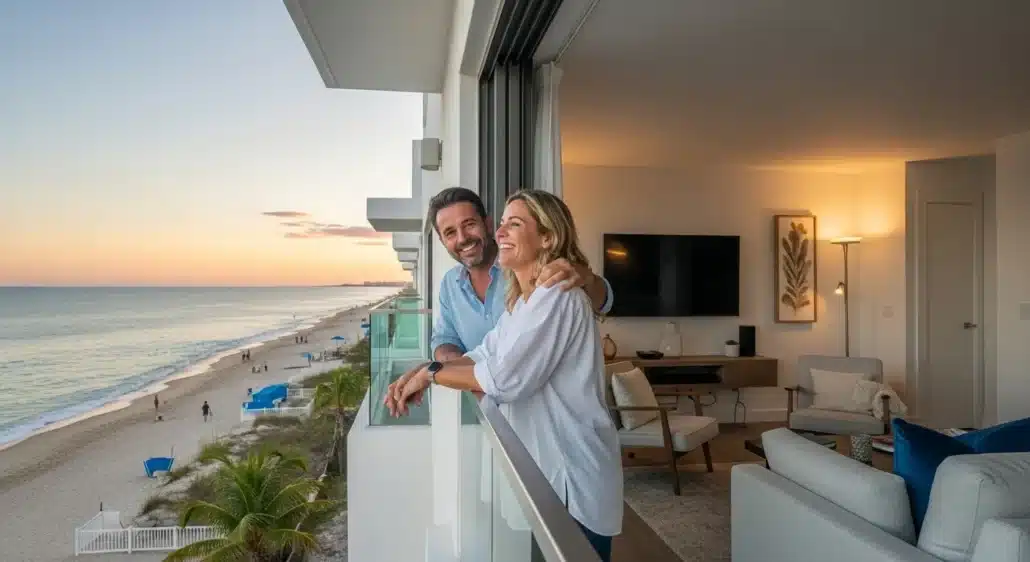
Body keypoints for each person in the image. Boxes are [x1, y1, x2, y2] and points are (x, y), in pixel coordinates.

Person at [385, 189, 622, 560]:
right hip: (540, 465)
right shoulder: (521, 299)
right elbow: (478, 352)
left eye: (513, 224)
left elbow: (502, 379)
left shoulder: (557, 292)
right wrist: (425, 369)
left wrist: (432, 375)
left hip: (571, 473)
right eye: (449, 232)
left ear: (547, 237)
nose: (497, 234)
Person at [424, 187, 613, 363]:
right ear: (442, 241)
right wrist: (451, 371)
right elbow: (445, 339)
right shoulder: (450, 284)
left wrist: (586, 277)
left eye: (469, 224)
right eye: (450, 233)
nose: (462, 238)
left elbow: (604, 302)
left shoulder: (537, 276)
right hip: (488, 397)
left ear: (488, 225)